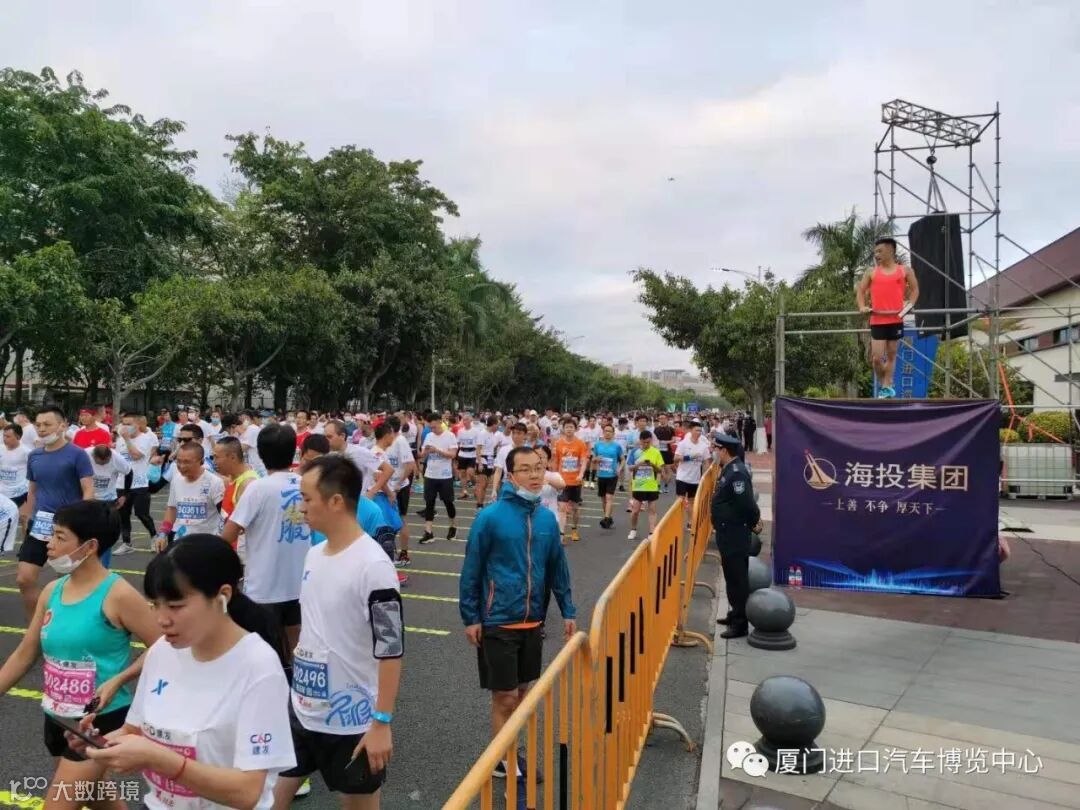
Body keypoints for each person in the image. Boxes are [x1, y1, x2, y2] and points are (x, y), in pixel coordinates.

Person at [72, 535, 296, 810]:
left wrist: (161, 760)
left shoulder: (258, 666)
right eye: (155, 604)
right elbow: (135, 730)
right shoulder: (161, 651)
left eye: (176, 606)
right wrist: (102, 743)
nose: (161, 619)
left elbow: (248, 792)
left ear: (223, 596)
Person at [0, 500, 160, 809]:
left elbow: (162, 644)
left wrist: (121, 679)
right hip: (57, 715)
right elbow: (24, 654)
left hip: (99, 720)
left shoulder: (118, 594)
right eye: (52, 534)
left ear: (90, 546)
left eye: (60, 536)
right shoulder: (52, 591)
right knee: (96, 797)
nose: (49, 543)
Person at [272, 455, 403, 809]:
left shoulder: (374, 567)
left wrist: (381, 721)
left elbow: (391, 647)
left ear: (335, 502)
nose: (300, 507)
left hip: (352, 722)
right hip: (302, 708)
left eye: (306, 499)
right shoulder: (314, 555)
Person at [459, 446, 576, 779]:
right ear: (511, 476)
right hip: (497, 620)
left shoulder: (546, 519)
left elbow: (557, 567)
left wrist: (568, 609)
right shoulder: (490, 517)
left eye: (538, 468)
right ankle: (502, 761)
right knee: (506, 696)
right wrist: (471, 617)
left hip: (533, 621)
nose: (534, 475)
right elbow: (472, 570)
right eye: (525, 469)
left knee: (522, 694)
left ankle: (508, 749)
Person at [221, 424, 311, 659]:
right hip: (300, 583)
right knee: (294, 646)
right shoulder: (305, 484)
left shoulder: (258, 488)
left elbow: (229, 534)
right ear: (294, 452)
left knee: (262, 651)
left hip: (263, 586)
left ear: (260, 453)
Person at [17, 406, 94, 618]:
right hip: (39, 525)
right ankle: (37, 627)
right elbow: (33, 490)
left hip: (67, 527)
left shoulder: (77, 454)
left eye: (47, 424)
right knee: (24, 578)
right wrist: (27, 517)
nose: (42, 429)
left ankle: (61, 625)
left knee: (66, 581)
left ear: (62, 426)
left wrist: (81, 520)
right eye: (38, 425)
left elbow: (88, 490)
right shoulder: (34, 456)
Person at [711, 433, 763, 640]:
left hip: (734, 532)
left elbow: (746, 504)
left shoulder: (737, 473)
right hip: (727, 531)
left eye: (716, 449)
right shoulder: (728, 469)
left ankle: (740, 624)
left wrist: (754, 522)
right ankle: (734, 613)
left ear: (724, 451)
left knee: (737, 579)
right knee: (731, 576)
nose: (714, 452)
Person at [856, 236, 920, 399]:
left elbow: (915, 290)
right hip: (877, 319)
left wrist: (909, 306)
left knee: (891, 355)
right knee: (877, 358)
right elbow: (861, 291)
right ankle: (886, 383)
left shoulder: (904, 270)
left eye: (880, 251)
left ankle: (885, 388)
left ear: (890, 250)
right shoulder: (871, 272)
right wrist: (862, 307)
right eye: (875, 252)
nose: (876, 255)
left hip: (896, 319)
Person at [156, 441, 226, 550]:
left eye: (187, 462)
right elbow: (172, 509)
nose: (181, 466)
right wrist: (163, 533)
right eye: (178, 461)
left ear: (201, 461)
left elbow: (225, 516)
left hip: (207, 545)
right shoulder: (176, 480)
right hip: (181, 543)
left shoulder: (214, 482)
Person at [114, 412, 159, 556]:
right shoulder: (119, 440)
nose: (125, 427)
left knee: (142, 513)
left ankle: (154, 537)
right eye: (123, 423)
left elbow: (135, 456)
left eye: (129, 424)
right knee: (123, 515)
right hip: (122, 484)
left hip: (139, 483)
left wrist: (127, 439)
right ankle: (126, 543)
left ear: (137, 424)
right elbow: (117, 460)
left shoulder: (145, 439)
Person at [419, 412, 459, 544]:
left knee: (448, 502)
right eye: (430, 427)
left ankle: (453, 526)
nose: (432, 429)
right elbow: (423, 454)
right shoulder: (429, 436)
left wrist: (437, 450)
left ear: (440, 422)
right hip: (430, 474)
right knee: (429, 503)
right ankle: (428, 532)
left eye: (434, 427)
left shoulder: (450, 436)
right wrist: (424, 452)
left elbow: (452, 455)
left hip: (445, 475)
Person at [551, 418, 589, 543]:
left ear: (575, 429)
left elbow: (583, 461)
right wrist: (554, 476)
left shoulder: (580, 444)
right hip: (562, 481)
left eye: (571, 427)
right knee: (562, 508)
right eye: (566, 427)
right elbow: (555, 461)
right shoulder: (558, 443)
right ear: (563, 429)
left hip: (576, 481)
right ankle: (561, 534)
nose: (569, 429)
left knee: (575, 508)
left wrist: (581, 474)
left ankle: (574, 529)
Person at [626, 430, 664, 542]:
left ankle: (652, 532)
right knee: (635, 511)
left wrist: (652, 465)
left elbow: (660, 470)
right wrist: (639, 464)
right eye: (644, 442)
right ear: (640, 441)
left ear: (651, 440)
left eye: (648, 442)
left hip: (651, 486)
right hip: (639, 485)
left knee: (652, 510)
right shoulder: (635, 452)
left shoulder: (656, 452)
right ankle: (633, 530)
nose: (646, 444)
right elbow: (630, 468)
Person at [674, 421, 711, 518]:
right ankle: (678, 521)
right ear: (690, 430)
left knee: (692, 501)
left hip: (695, 479)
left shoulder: (703, 446)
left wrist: (706, 476)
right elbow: (676, 458)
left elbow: (706, 462)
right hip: (682, 477)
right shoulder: (683, 444)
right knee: (680, 501)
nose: (698, 433)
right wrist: (689, 457)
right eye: (696, 430)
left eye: (700, 431)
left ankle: (690, 522)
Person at [590, 423, 624, 530]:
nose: (608, 433)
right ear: (603, 432)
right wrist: (596, 459)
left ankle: (606, 518)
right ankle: (608, 517)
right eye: (606, 431)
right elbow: (593, 459)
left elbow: (622, 459)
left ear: (613, 433)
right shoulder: (597, 445)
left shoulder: (617, 446)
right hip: (601, 475)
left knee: (609, 497)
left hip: (612, 475)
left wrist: (619, 468)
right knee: (603, 499)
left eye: (610, 431)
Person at [2, 422, 31, 508]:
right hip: (2, 491)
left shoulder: (27, 452)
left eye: (8, 436)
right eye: (4, 436)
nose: (4, 439)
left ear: (18, 437)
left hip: (18, 493)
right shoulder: (0, 448)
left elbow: (33, 472)